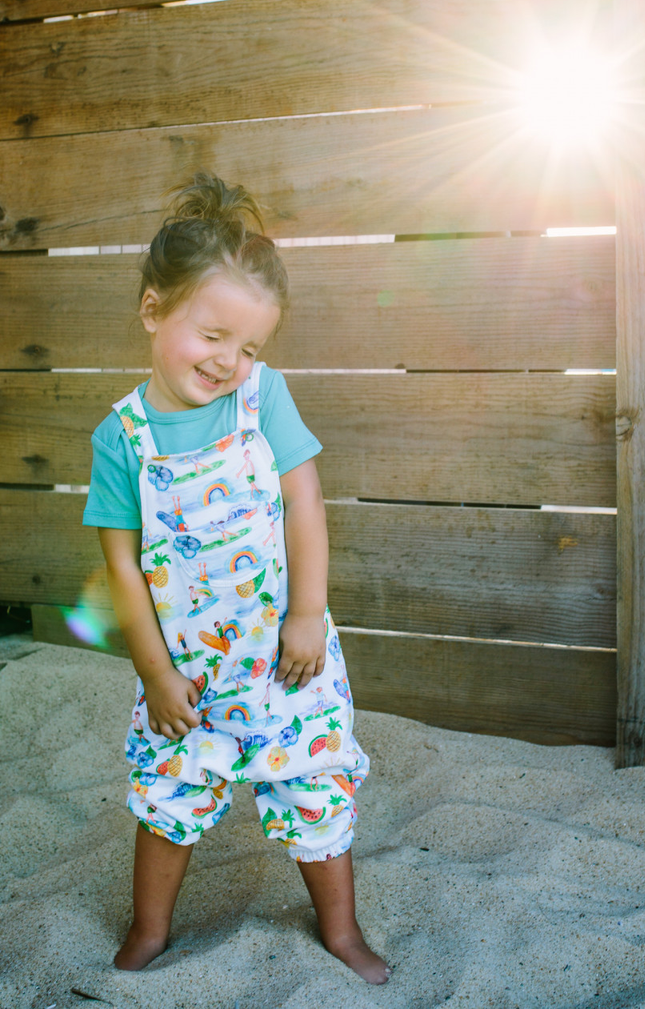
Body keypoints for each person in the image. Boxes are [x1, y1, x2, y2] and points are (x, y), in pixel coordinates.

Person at [83, 172, 390, 984]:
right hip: (186, 673)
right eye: (212, 335)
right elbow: (121, 560)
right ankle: (150, 931)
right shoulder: (123, 438)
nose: (229, 361)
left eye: (249, 346)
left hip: (289, 662)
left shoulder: (263, 401)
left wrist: (308, 614)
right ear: (155, 311)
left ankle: (342, 930)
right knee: (168, 799)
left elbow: (305, 501)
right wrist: (154, 672)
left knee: (315, 792)